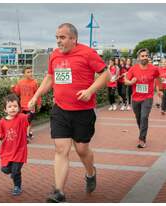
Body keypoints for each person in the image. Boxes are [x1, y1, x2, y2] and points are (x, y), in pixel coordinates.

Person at [28, 23, 109, 203]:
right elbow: (50, 78)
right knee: (61, 149)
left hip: (83, 111)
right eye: (57, 37)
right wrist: (36, 95)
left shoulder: (87, 53)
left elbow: (106, 75)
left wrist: (90, 91)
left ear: (73, 39)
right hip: (61, 110)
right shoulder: (54, 55)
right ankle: (59, 191)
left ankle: (90, 173)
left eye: (62, 37)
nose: (58, 41)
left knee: (81, 150)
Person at [0, 94, 32, 196]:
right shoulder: (2, 121)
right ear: (5, 109)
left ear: (19, 108)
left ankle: (17, 187)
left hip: (20, 150)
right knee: (5, 169)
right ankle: (13, 174)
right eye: (10, 106)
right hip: (7, 150)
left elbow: (29, 118)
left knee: (15, 171)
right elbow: (0, 132)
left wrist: (32, 110)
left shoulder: (21, 118)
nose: (12, 108)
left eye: (15, 106)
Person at [124, 48, 160, 148]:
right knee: (138, 118)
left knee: (144, 117)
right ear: (139, 58)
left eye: (146, 56)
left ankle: (142, 139)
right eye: (142, 56)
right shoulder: (133, 69)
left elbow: (158, 78)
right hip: (135, 98)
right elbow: (125, 80)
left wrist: (159, 89)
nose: (144, 57)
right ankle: (142, 131)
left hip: (147, 97)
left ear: (148, 57)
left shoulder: (154, 69)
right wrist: (131, 82)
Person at [11, 66, 41, 142]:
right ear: (24, 74)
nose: (30, 73)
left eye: (31, 72)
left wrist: (38, 103)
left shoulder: (34, 82)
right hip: (22, 106)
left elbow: (37, 94)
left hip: (31, 106)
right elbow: (17, 93)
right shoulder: (20, 82)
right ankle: (29, 133)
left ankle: (26, 135)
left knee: (28, 121)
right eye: (28, 72)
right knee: (23, 121)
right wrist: (13, 88)